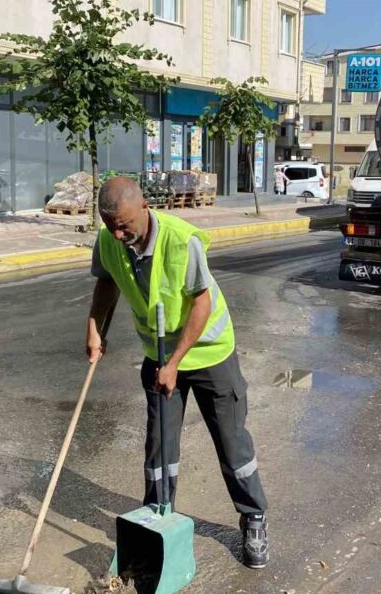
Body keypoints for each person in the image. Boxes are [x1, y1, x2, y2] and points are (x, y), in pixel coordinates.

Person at [85, 177, 270, 569]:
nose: (118, 234)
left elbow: (201, 305)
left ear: (145, 207)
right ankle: (156, 517)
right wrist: (94, 328)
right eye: (109, 225)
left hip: (208, 354)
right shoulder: (109, 240)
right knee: (159, 446)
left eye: (124, 225)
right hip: (158, 354)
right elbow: (106, 283)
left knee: (232, 443)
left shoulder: (181, 240)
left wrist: (174, 364)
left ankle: (253, 517)